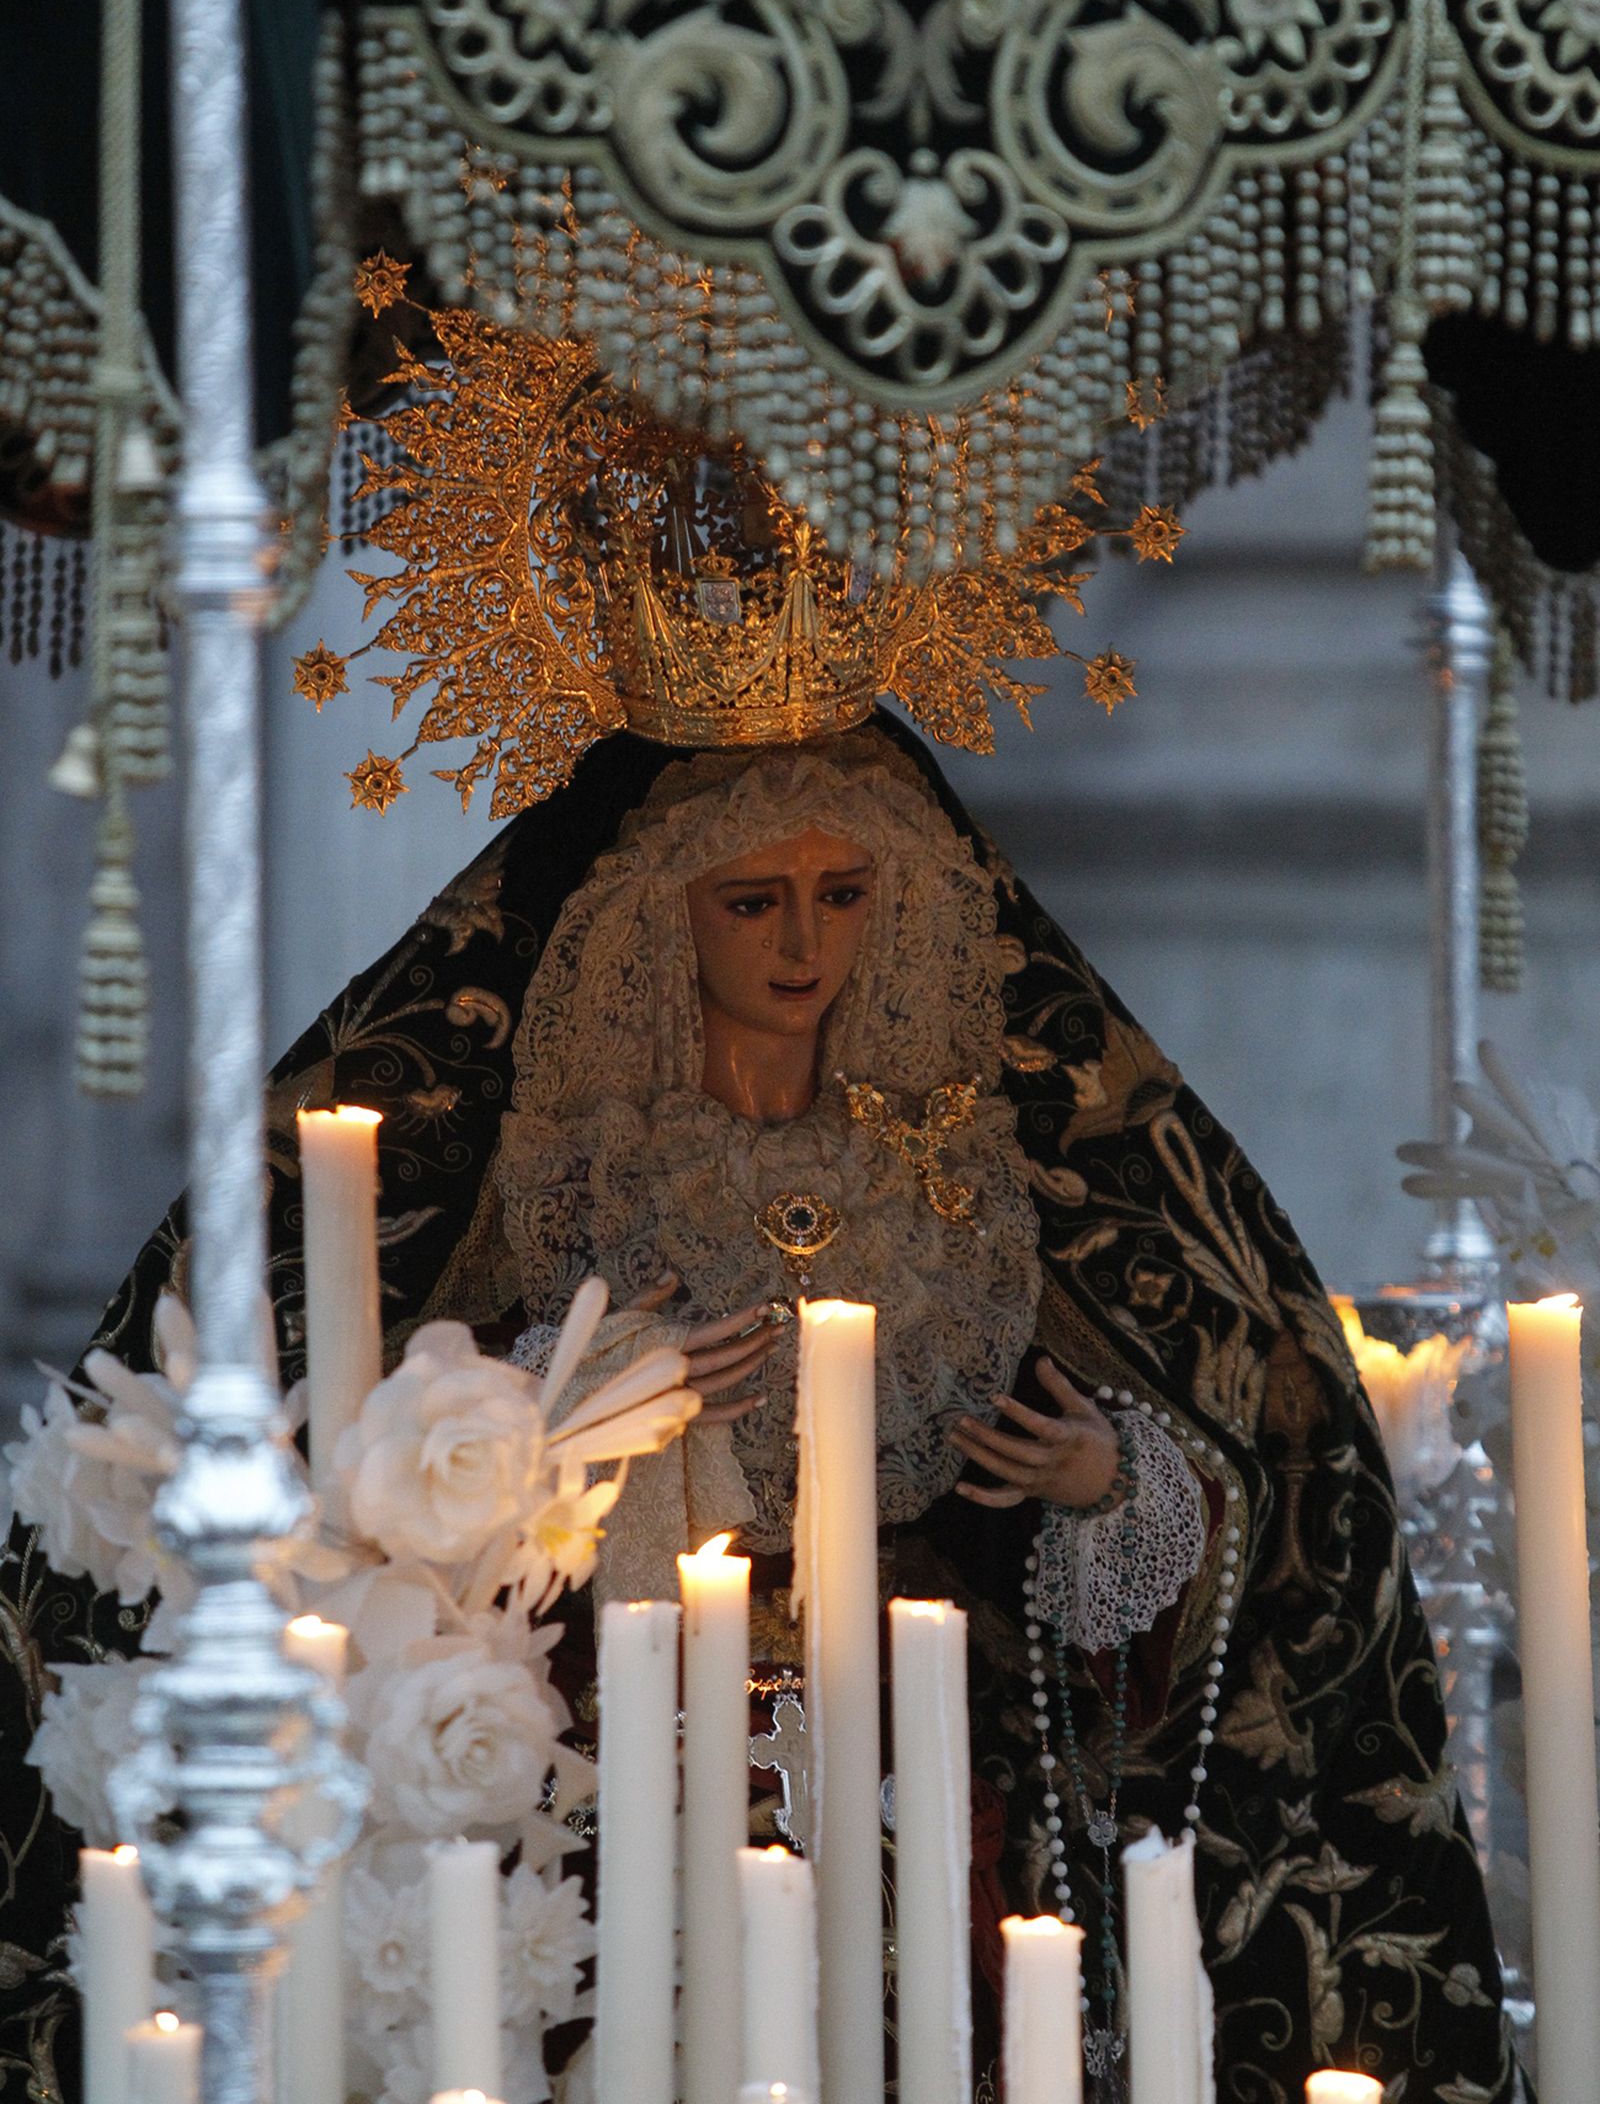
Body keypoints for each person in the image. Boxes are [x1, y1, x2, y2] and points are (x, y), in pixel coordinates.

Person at [0, 716, 1522, 2104]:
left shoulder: (955, 1183)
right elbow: (382, 1448)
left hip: (913, 1759)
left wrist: (1107, 1480)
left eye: (842, 895)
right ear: (662, 916)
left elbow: (1193, 1438)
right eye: (751, 901)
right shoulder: (575, 1177)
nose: (804, 943)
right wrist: (569, 1403)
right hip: (613, 1755)